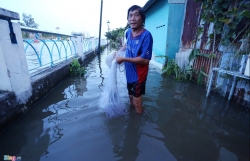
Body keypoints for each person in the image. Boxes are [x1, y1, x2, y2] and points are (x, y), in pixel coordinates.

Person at [116, 5, 153, 113]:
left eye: (136, 15)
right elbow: (127, 45)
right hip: (129, 73)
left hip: (139, 75)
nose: (132, 18)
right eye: (130, 15)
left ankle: (138, 124)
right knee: (131, 98)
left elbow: (145, 59)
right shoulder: (128, 32)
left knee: (137, 103)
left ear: (142, 18)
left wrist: (123, 59)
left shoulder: (146, 36)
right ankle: (133, 119)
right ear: (127, 19)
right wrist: (118, 52)